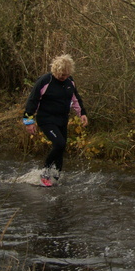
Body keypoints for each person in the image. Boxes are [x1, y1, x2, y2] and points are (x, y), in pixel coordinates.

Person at [23, 54, 88, 186]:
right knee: (59, 143)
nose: (63, 77)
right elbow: (32, 101)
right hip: (46, 119)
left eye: (65, 75)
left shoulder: (70, 82)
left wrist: (82, 114)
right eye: (61, 75)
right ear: (55, 71)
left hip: (62, 119)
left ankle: (56, 177)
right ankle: (45, 173)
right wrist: (29, 122)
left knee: (61, 147)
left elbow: (75, 98)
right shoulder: (45, 81)